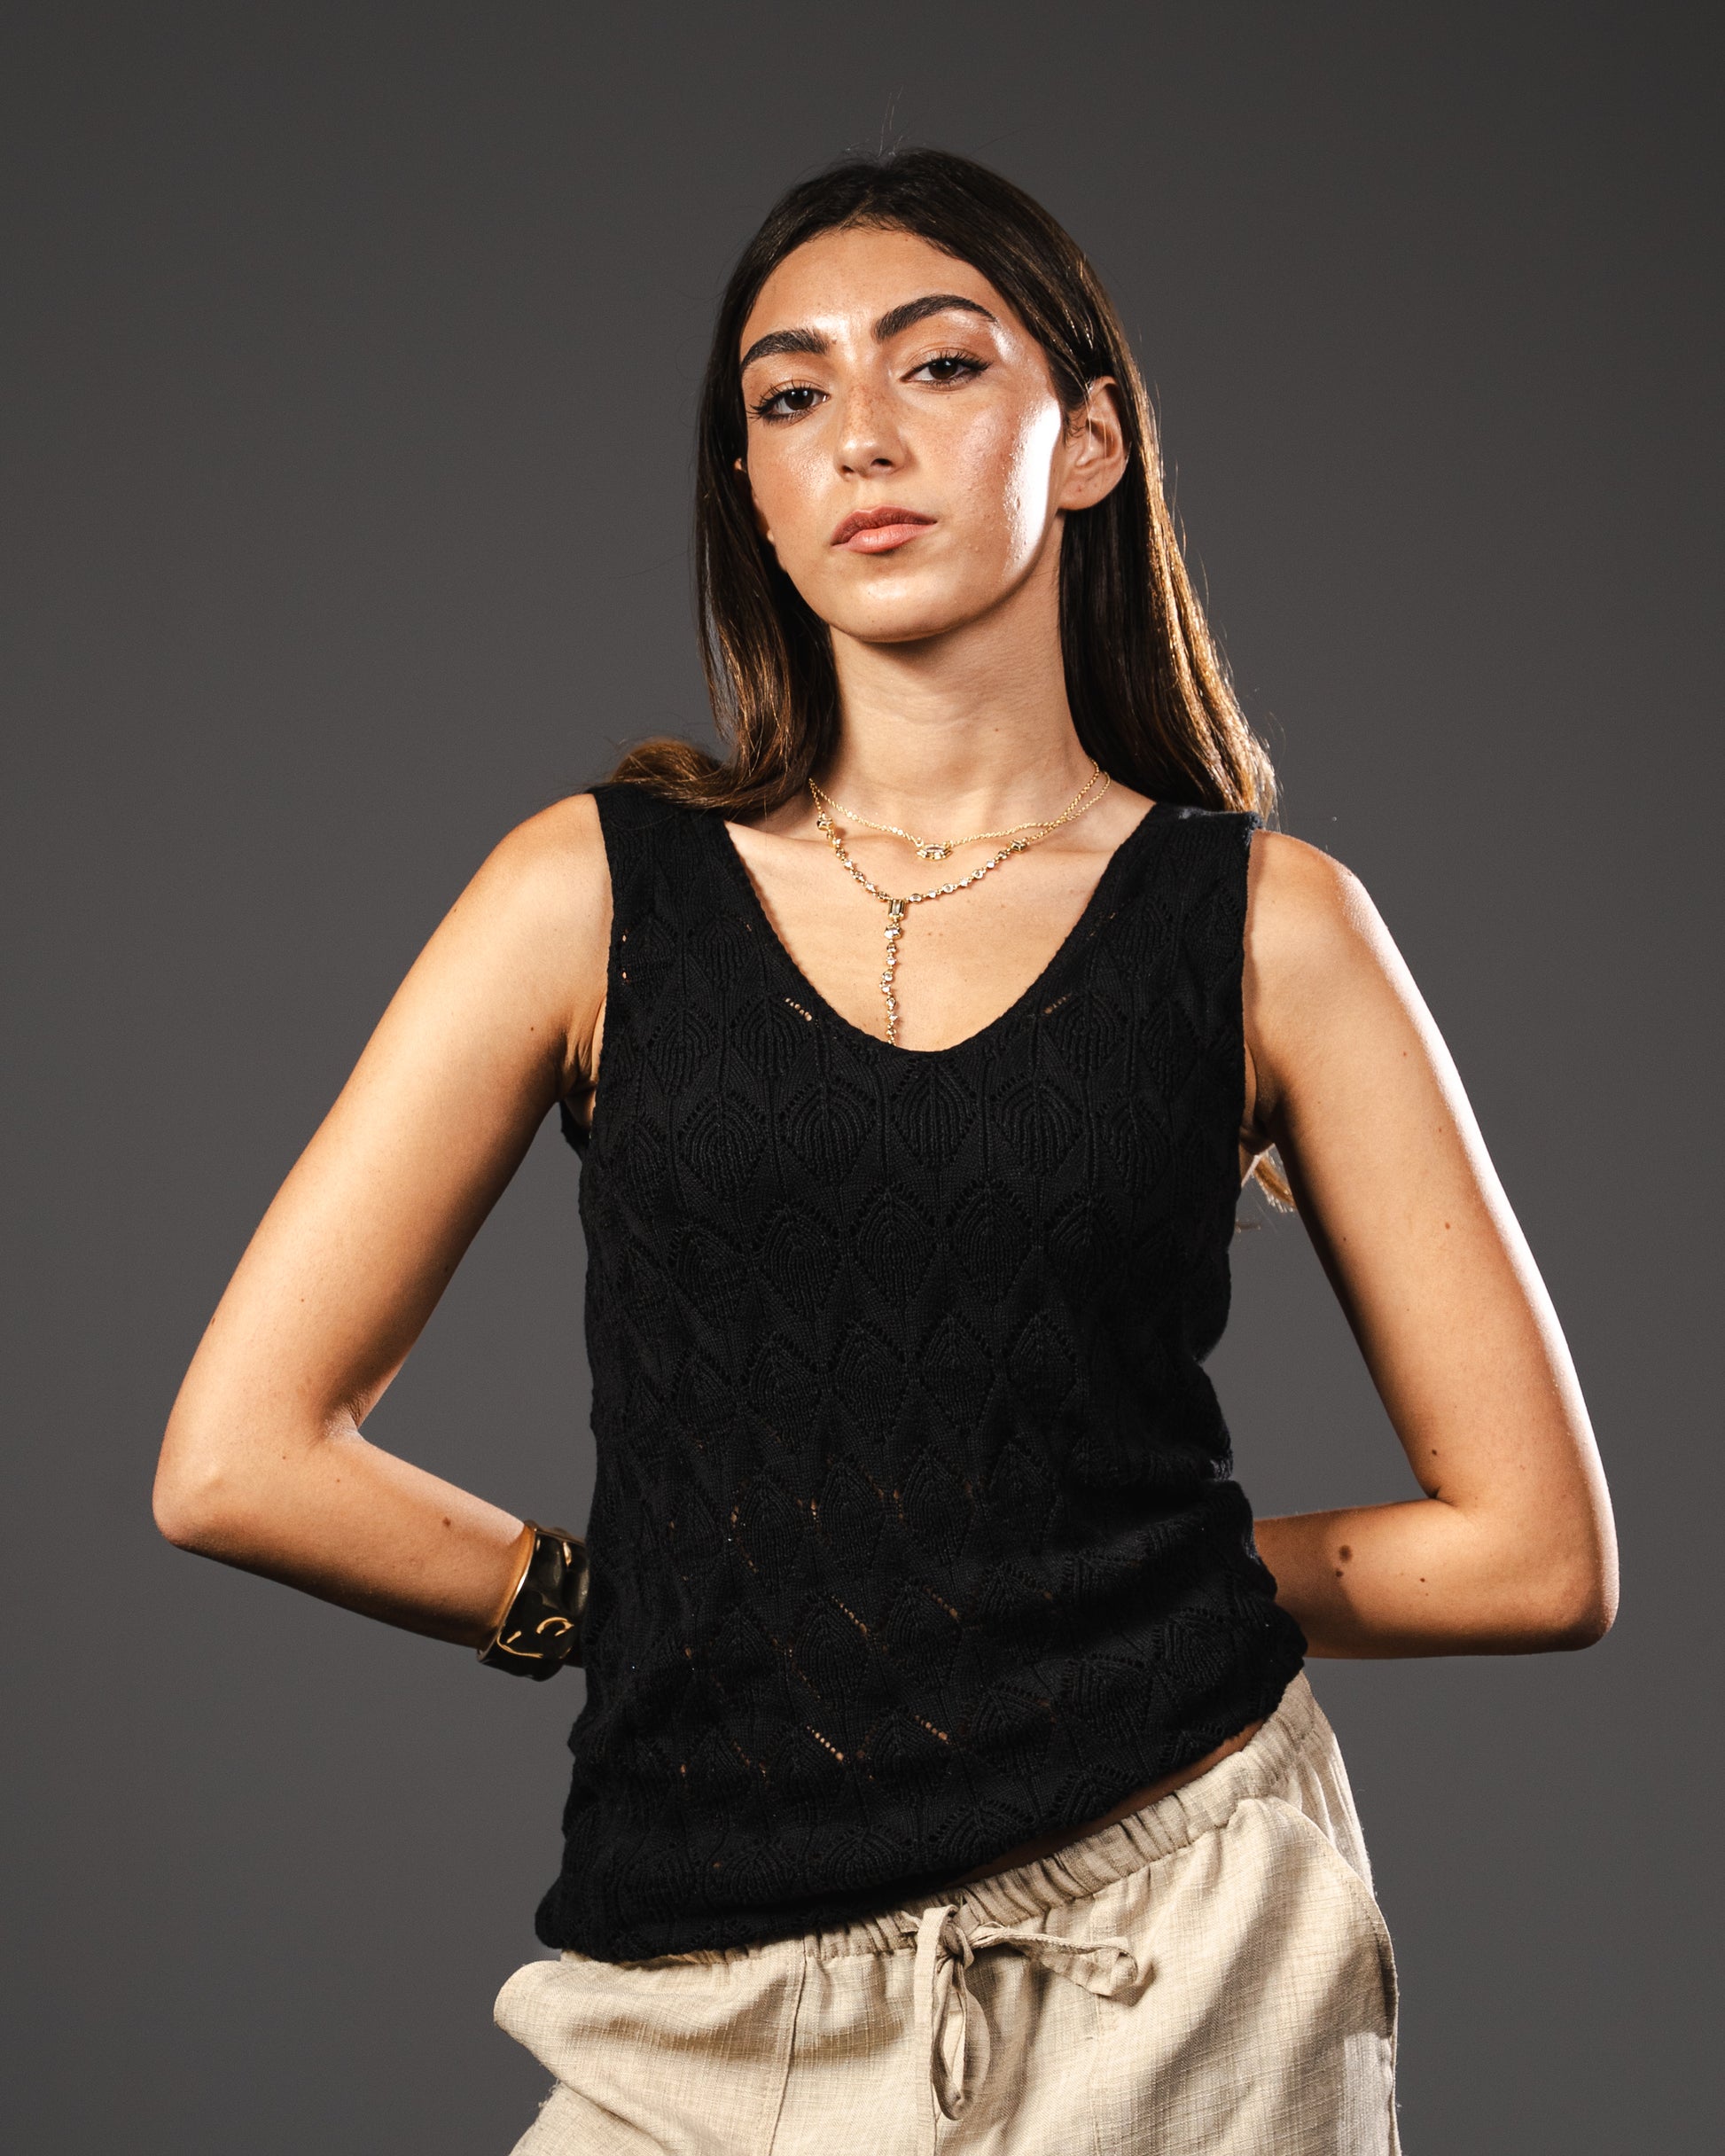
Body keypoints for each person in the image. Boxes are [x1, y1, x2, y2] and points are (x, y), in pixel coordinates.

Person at [153, 149, 1617, 2155]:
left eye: (937, 366)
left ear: (1085, 440)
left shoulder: (1268, 927)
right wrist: (594, 1598)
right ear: (750, 492)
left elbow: (1534, 1553)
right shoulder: (586, 894)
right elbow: (236, 1459)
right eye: (789, 394)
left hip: (1172, 1932)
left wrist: (1063, 1577)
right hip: (702, 1978)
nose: (858, 434)